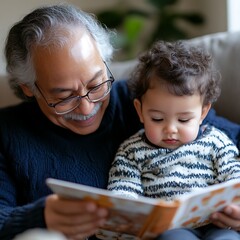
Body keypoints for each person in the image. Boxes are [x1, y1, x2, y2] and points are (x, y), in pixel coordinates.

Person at [0, 3, 240, 240]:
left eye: (96, 85)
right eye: (64, 96)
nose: (87, 107)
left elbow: (229, 138)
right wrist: (39, 217)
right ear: (29, 88)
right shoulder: (7, 133)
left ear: (106, 63)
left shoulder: (146, 100)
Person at [107, 40, 240, 239]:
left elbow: (234, 178)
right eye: (157, 119)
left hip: (218, 222)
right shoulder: (131, 151)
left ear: (203, 113)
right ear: (140, 110)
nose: (170, 129)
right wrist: (128, 214)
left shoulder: (217, 142)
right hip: (171, 228)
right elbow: (123, 190)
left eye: (184, 119)